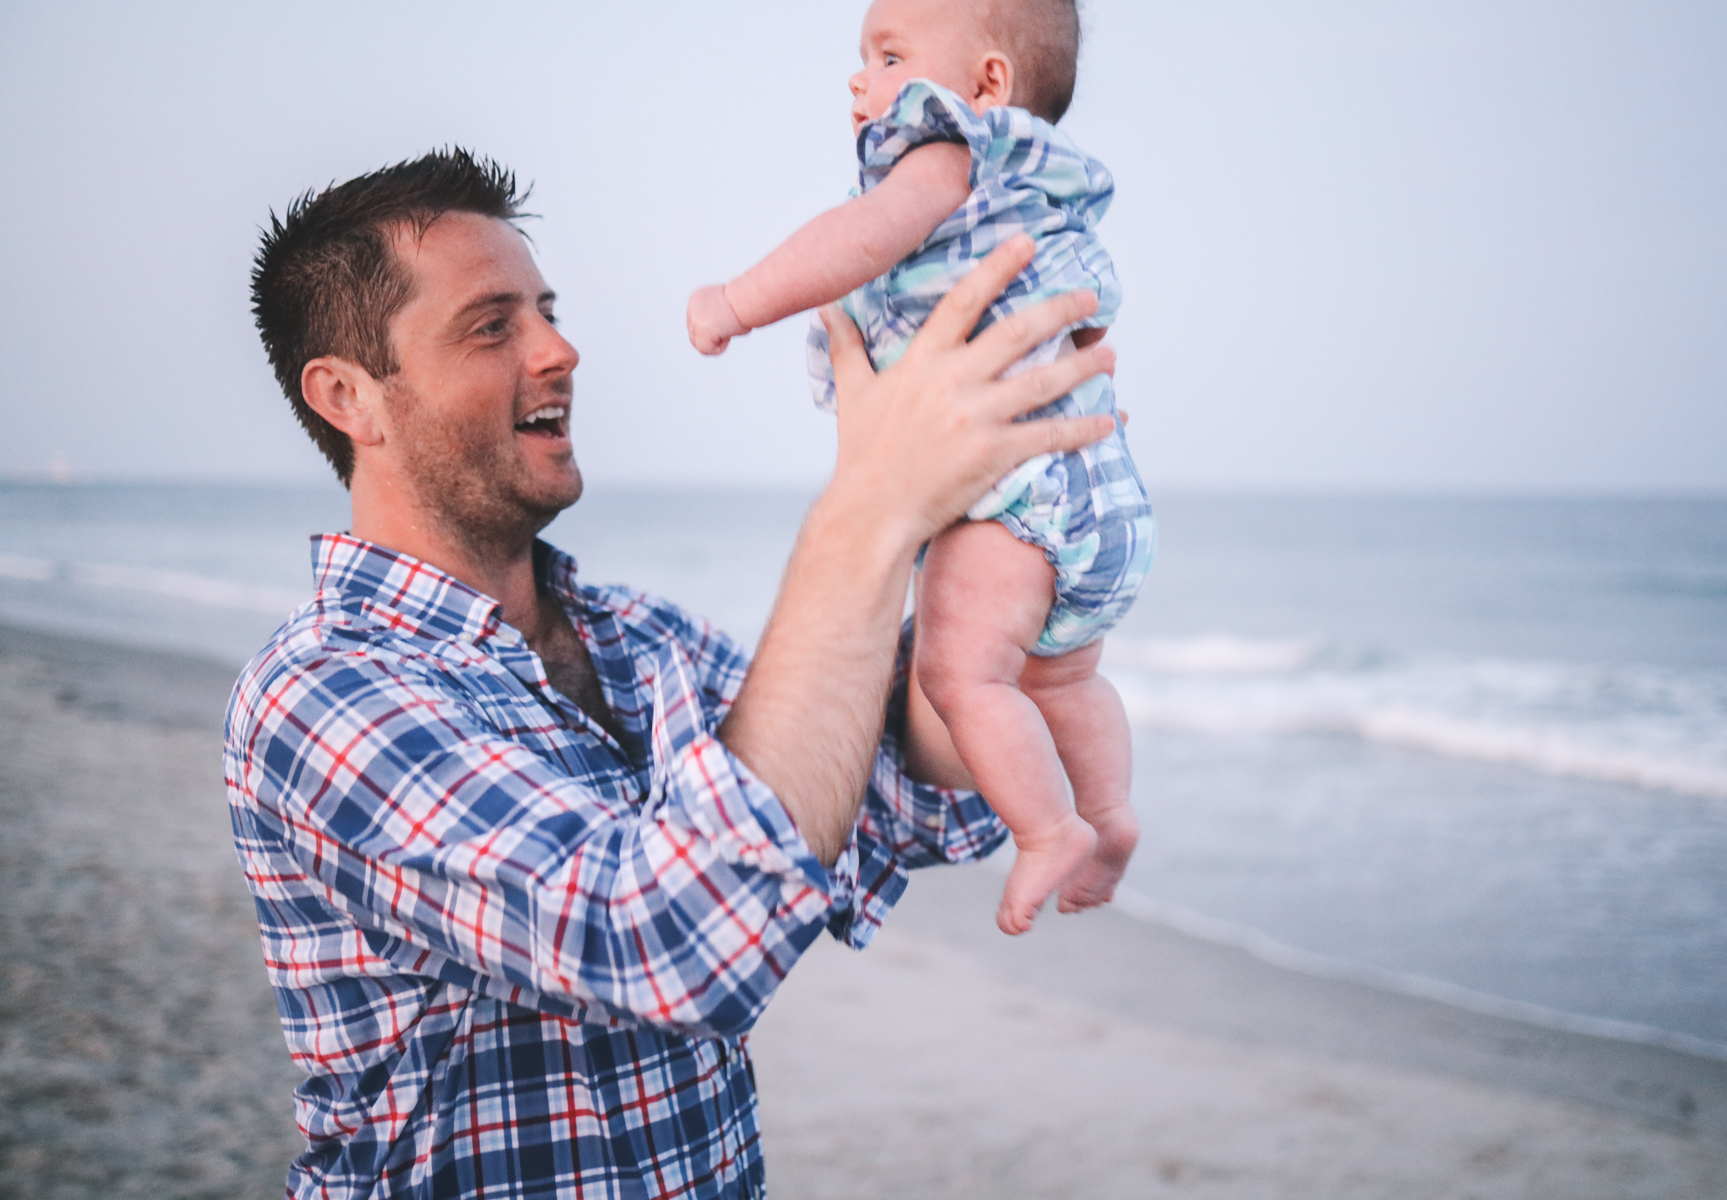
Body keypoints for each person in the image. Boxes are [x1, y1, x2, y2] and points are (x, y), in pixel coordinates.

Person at [227, 148, 1117, 1198]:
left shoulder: (637, 638)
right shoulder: (324, 692)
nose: (560, 350)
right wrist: (868, 512)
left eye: (546, 310)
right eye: (492, 325)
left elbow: (892, 786)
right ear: (350, 398)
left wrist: (1012, 535)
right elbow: (658, 943)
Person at [686, 0, 1154, 935]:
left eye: (889, 54)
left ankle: (1048, 829)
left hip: (1012, 503)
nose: (861, 80)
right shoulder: (1042, 186)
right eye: (863, 56)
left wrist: (736, 301)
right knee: (1063, 682)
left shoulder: (944, 152)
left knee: (962, 678)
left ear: (985, 82)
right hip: (1099, 496)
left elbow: (857, 238)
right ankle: (1109, 815)